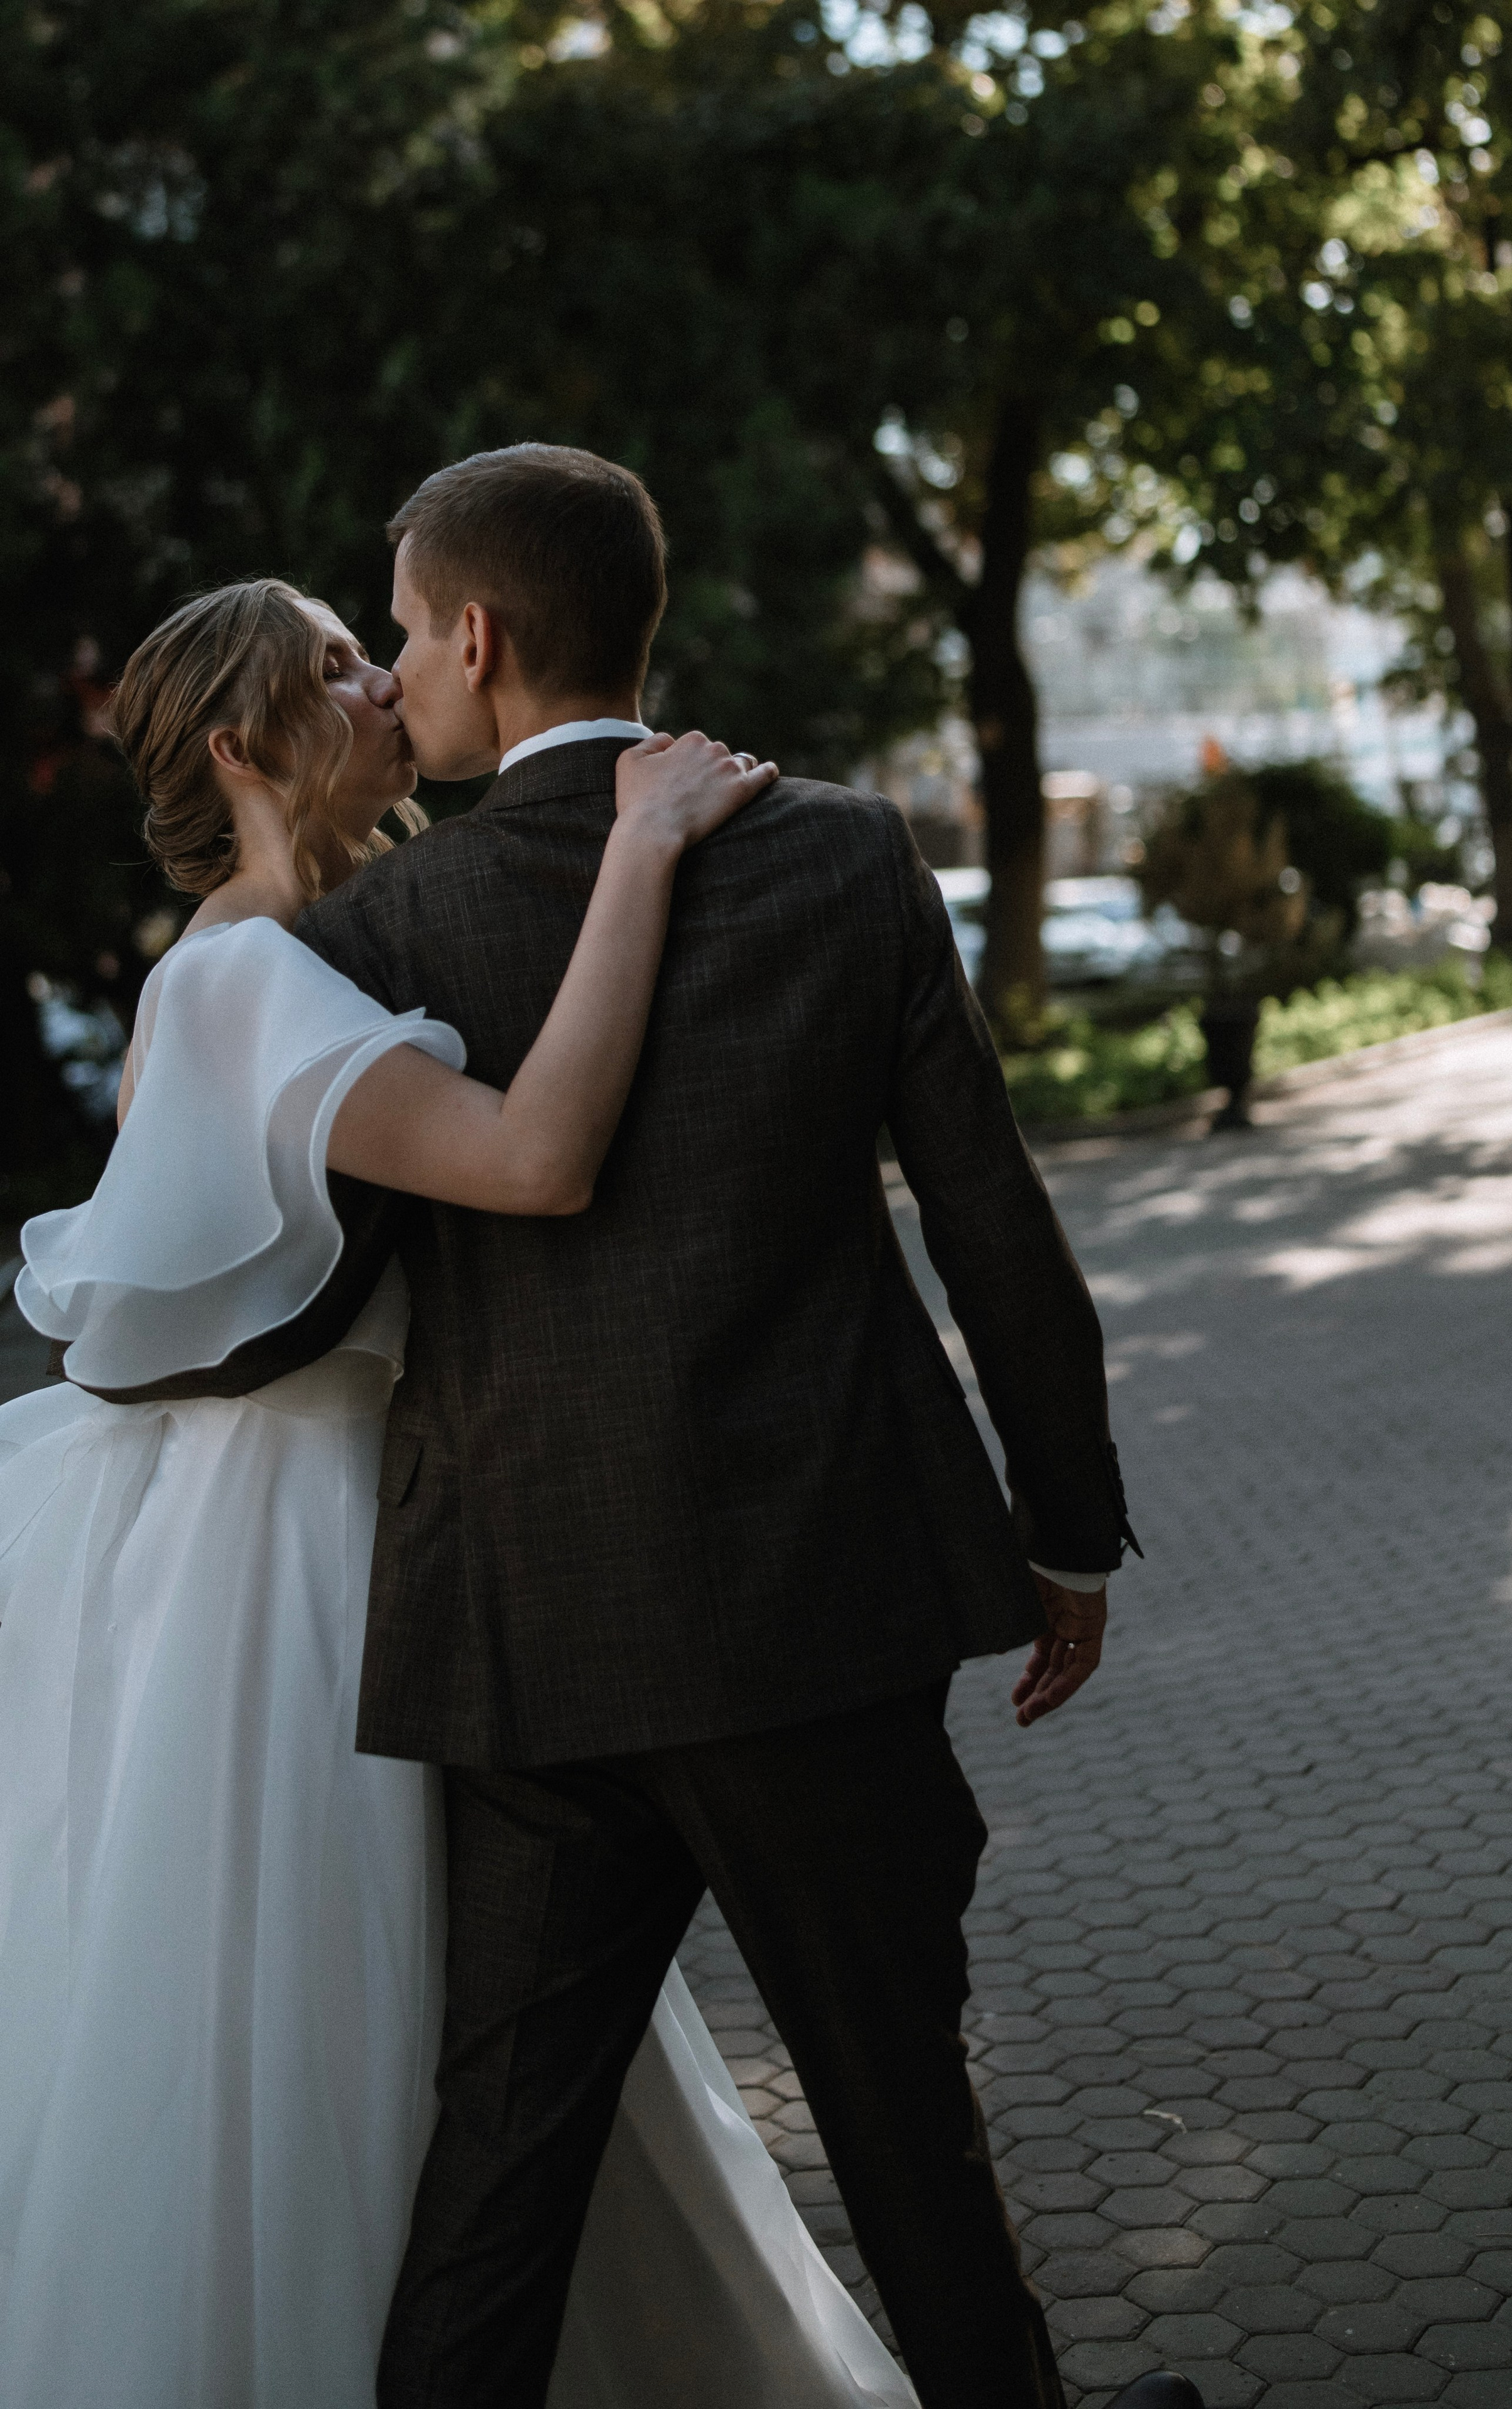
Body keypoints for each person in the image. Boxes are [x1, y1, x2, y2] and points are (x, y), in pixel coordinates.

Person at [297, 444, 1196, 2409]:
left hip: (530, 1646)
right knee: (906, 2134)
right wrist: (1064, 1526)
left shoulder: (391, 929)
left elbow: (331, 1290)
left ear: (477, 631)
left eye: (399, 635)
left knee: (499, 2178)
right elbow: (991, 1214)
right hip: (816, 1615)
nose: (396, 676)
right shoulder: (849, 852)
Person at [0, 577, 922, 2408]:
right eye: (337, 663)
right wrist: (644, 849)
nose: (382, 680)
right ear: (247, 747)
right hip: (307, 1574)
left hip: (272, 1531)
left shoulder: (244, 962)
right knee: (360, 2047)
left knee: (466, 2057)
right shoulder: (252, 977)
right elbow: (539, 1156)